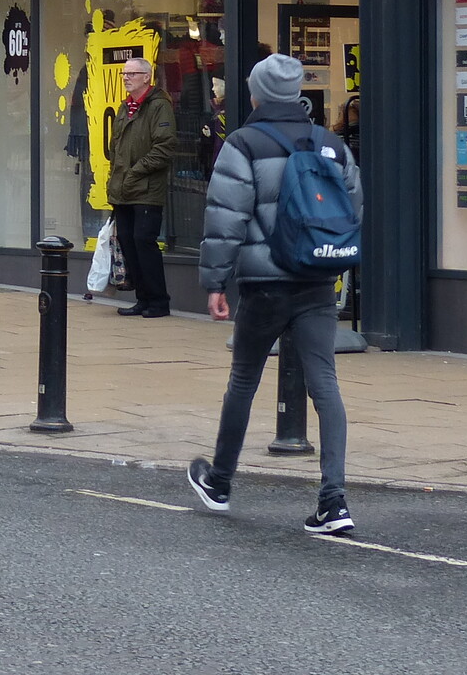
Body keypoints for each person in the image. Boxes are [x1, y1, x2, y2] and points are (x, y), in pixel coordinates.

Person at [187, 52, 363, 536]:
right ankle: (333, 502)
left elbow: (226, 216)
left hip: (265, 284)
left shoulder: (242, 143)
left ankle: (220, 483)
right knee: (324, 383)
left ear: (256, 93)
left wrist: (215, 282)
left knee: (244, 378)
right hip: (316, 282)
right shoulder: (331, 143)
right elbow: (354, 210)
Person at [105, 54, 174, 319]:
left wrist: (135, 172)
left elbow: (164, 147)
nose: (126, 78)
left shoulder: (159, 106)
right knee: (128, 242)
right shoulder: (125, 107)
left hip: (146, 189)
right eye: (124, 74)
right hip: (123, 189)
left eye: (132, 74)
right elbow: (117, 148)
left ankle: (158, 301)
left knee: (144, 242)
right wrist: (117, 180)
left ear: (147, 77)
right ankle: (142, 299)